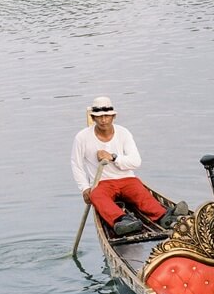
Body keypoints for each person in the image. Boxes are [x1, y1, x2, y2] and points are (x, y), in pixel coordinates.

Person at [70, 95, 168, 235]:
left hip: (126, 179)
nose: (103, 120)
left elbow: (136, 162)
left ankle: (163, 216)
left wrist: (113, 157)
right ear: (93, 118)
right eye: (99, 116)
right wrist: (84, 188)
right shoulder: (82, 137)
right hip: (102, 183)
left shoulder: (124, 133)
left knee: (140, 192)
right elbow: (76, 164)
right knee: (95, 195)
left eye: (107, 116)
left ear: (113, 116)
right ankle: (121, 220)